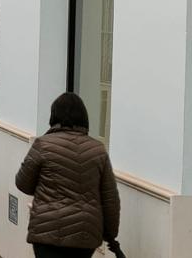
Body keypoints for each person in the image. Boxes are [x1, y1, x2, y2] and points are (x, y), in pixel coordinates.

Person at [14, 92, 121, 258]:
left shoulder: (43, 145)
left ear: (54, 116)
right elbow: (110, 197)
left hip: (47, 231)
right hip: (85, 234)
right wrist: (110, 234)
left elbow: (23, 183)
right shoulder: (97, 149)